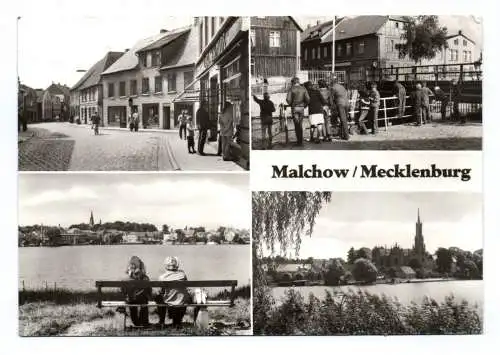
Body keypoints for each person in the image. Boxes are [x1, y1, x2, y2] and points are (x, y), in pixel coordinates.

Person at [155, 256, 192, 328]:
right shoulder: (182, 275)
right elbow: (186, 288)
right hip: (181, 302)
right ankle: (177, 322)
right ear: (177, 265)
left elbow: (161, 291)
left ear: (166, 265)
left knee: (159, 298)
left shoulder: (162, 277)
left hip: (168, 302)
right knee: (180, 296)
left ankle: (161, 321)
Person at [121, 256, 152, 327]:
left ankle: (136, 323)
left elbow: (123, 291)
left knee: (131, 303)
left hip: (130, 300)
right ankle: (144, 322)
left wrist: (126, 296)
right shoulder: (145, 278)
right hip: (142, 300)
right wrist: (148, 295)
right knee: (144, 301)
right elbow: (149, 290)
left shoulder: (125, 279)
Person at [286, 77, 310, 146]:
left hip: (295, 108)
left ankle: (299, 141)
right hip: (301, 108)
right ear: (298, 82)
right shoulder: (303, 88)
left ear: (293, 82)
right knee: (300, 124)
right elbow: (308, 99)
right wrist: (304, 105)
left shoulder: (291, 89)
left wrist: (291, 104)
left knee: (296, 125)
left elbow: (288, 99)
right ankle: (301, 141)